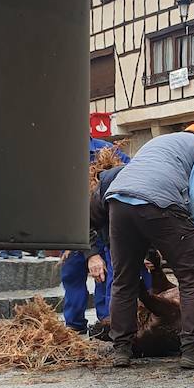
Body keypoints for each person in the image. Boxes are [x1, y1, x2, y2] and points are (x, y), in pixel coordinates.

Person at [106, 124, 194, 369]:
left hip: (118, 203)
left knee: (124, 279)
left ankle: (121, 350)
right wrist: (193, 231)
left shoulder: (157, 144)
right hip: (159, 202)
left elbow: (138, 180)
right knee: (191, 277)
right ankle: (193, 349)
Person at [61, 139, 127, 333]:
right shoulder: (60, 153)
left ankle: (106, 324)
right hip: (73, 223)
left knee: (105, 275)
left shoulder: (107, 150)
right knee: (71, 273)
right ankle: (74, 326)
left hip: (102, 222)